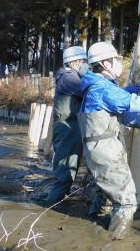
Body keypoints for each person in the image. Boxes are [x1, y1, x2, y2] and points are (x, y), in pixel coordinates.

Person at [79, 41, 140, 239]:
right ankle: (115, 240)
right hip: (104, 150)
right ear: (106, 64)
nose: (118, 63)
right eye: (115, 60)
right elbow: (138, 104)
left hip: (96, 148)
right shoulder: (102, 88)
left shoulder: (98, 85)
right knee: (127, 202)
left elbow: (125, 115)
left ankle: (89, 232)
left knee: (103, 195)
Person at [46, 46, 88, 205]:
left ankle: (59, 201)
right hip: (68, 130)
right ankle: (50, 209)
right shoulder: (68, 78)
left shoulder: (67, 76)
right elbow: (88, 91)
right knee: (65, 171)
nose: (86, 64)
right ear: (75, 61)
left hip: (71, 128)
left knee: (69, 168)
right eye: (84, 61)